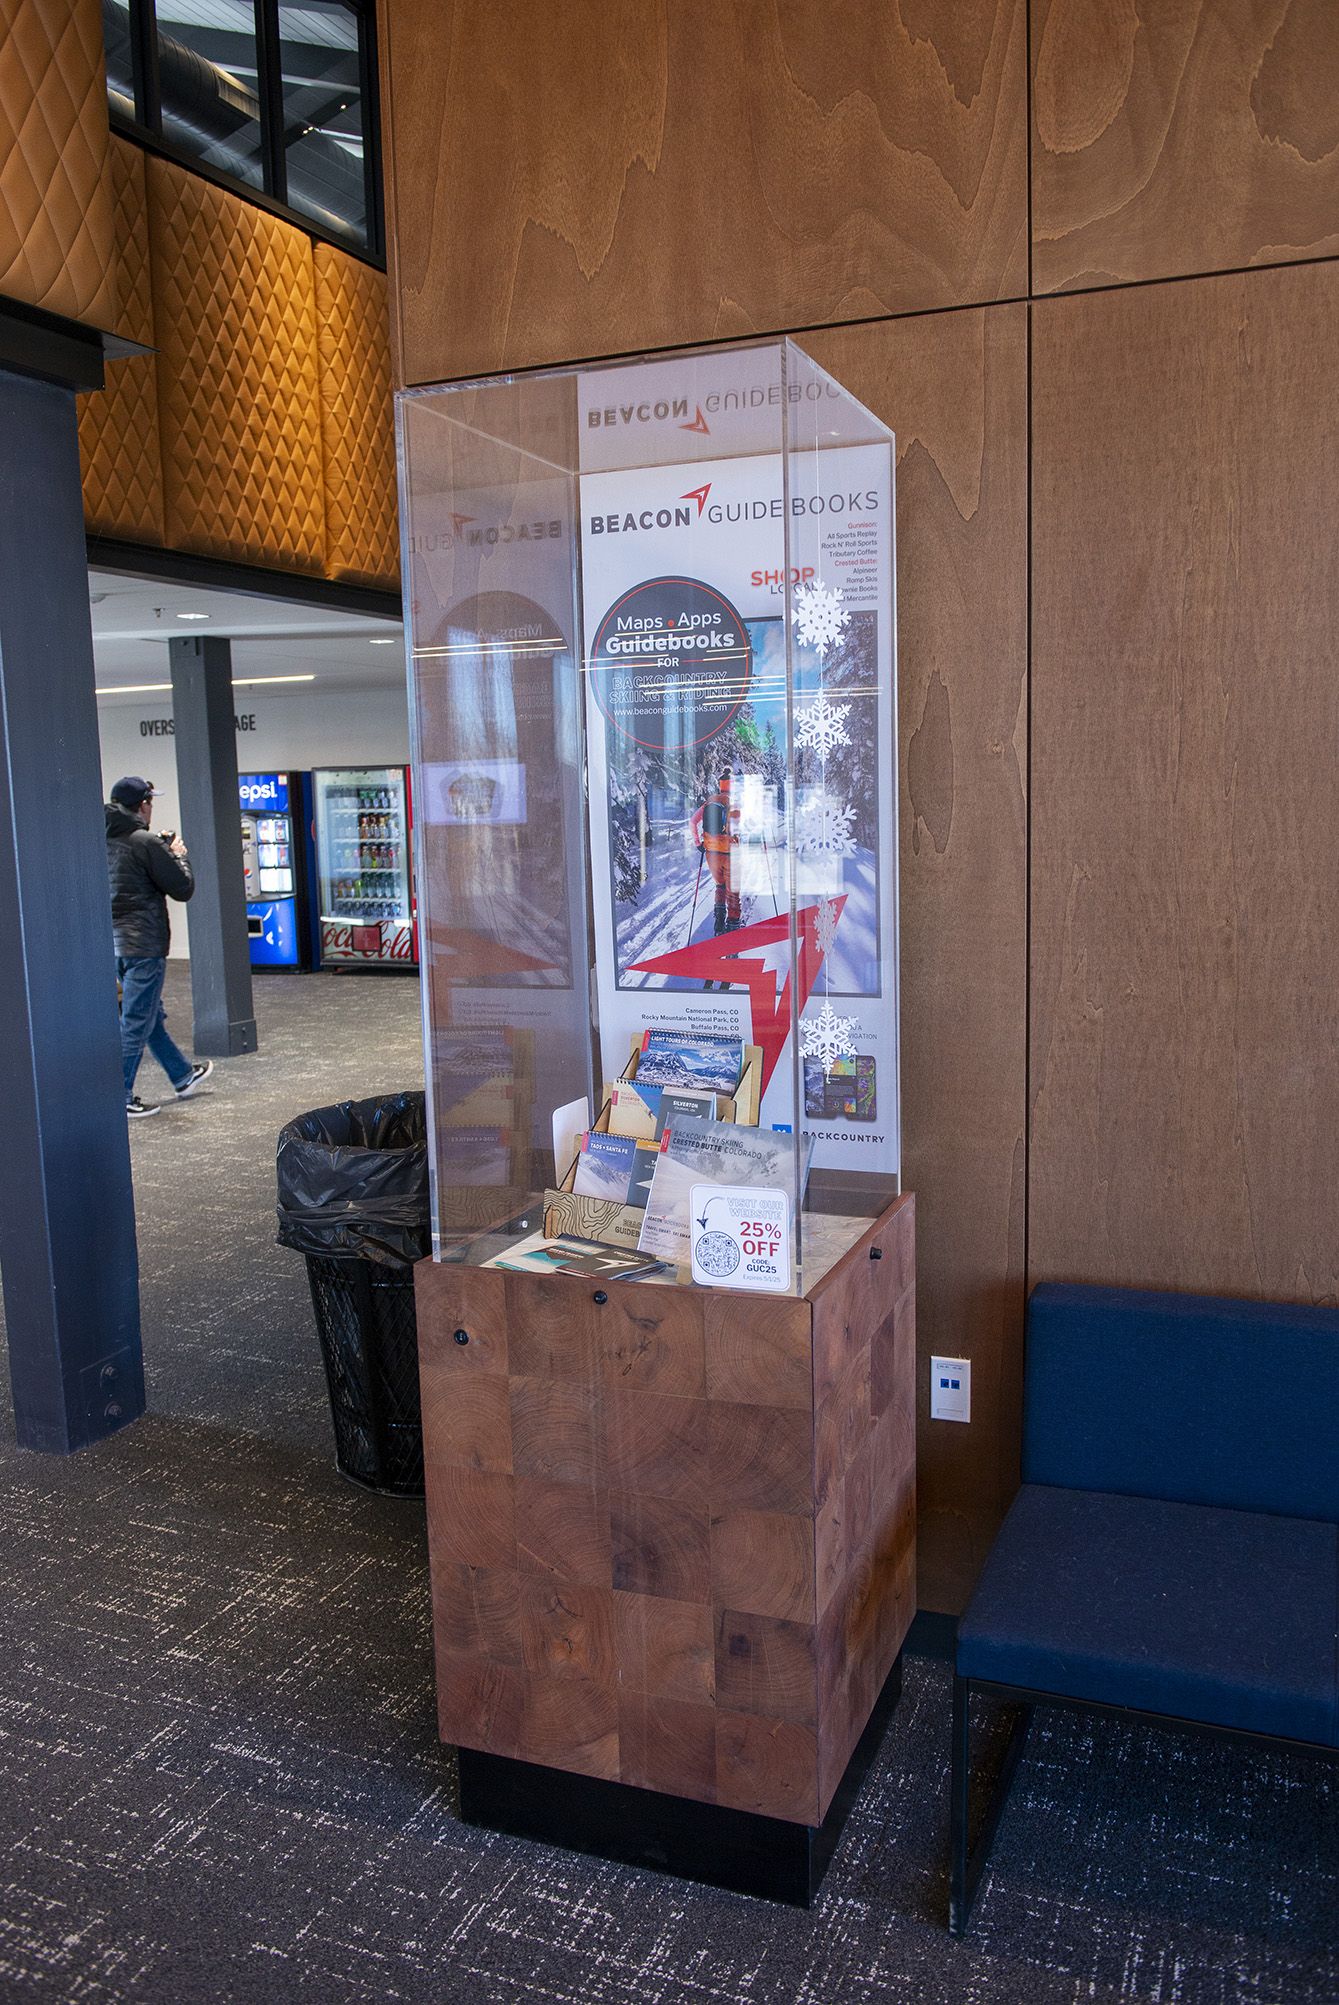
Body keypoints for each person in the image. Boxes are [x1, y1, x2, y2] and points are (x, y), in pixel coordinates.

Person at [105, 776, 212, 1119]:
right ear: (142, 805)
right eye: (150, 802)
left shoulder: (104, 839)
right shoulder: (146, 842)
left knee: (146, 1014)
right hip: (145, 945)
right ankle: (119, 1094)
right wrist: (178, 855)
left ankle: (181, 1075)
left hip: (115, 945)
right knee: (136, 1020)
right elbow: (182, 887)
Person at [691, 767, 741, 935]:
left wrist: (698, 843)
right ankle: (733, 929)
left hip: (711, 853)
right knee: (732, 890)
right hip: (729, 854)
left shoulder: (710, 801)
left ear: (720, 784)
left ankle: (719, 923)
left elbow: (693, 821)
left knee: (720, 885)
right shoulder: (734, 803)